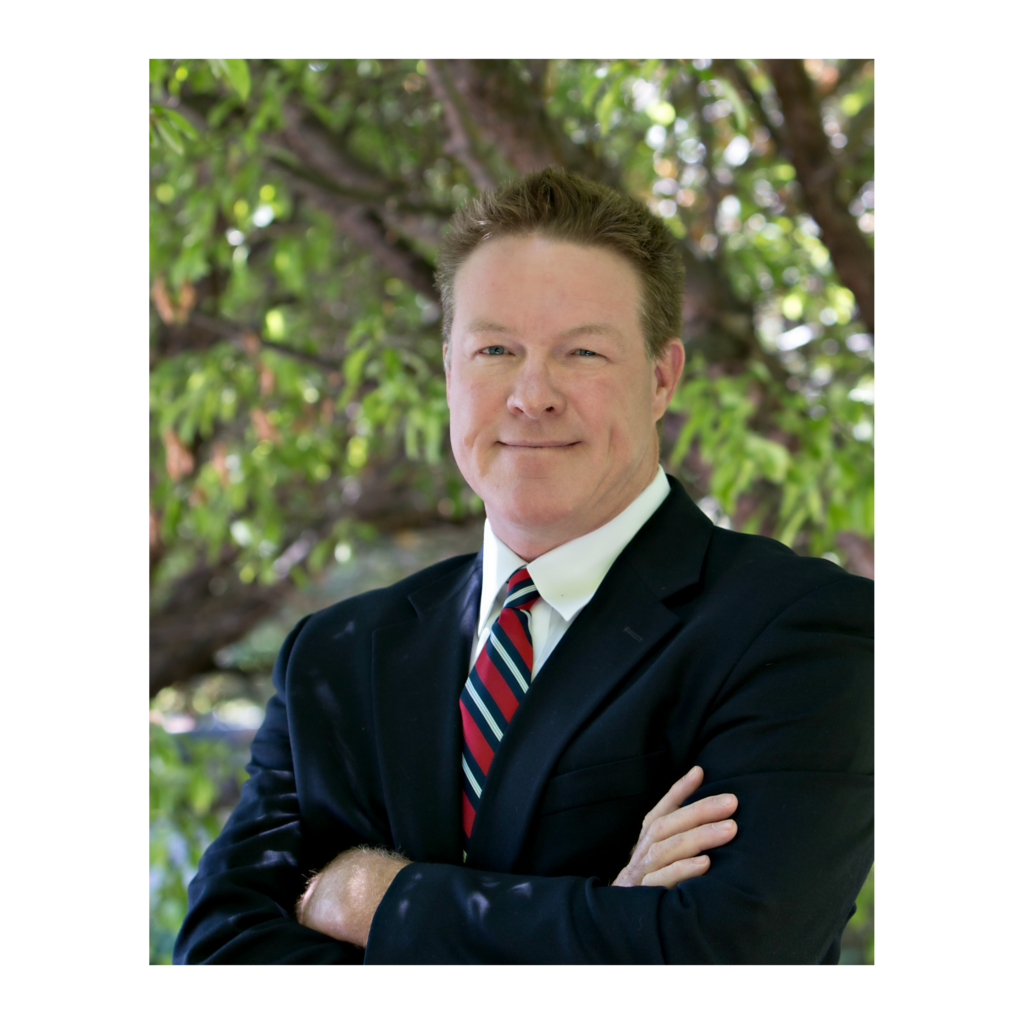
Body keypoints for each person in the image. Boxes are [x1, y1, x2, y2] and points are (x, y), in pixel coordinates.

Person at [173, 168, 873, 965]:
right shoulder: (333, 655)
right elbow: (222, 956)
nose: (531, 395)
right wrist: (602, 919)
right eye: (496, 349)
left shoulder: (801, 631)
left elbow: (727, 959)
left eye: (582, 351)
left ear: (661, 377)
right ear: (448, 371)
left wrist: (369, 898)